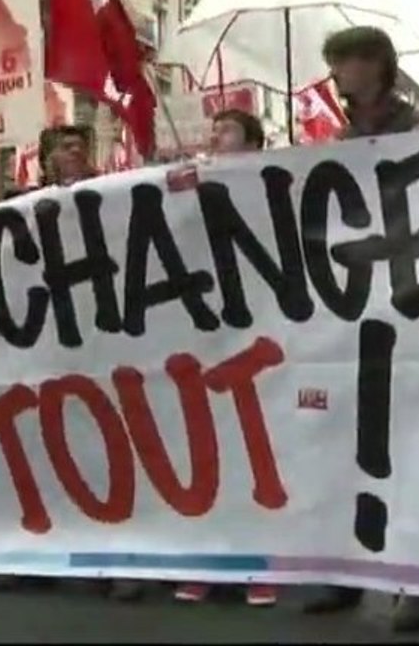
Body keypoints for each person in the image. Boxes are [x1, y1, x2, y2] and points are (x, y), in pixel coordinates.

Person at [303, 25, 419, 634]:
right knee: (347, 441)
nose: (339, 74)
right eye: (334, 63)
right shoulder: (338, 139)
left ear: (377, 65)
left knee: (417, 444)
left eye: (347, 62)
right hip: (356, 310)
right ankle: (347, 570)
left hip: (415, 303)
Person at [173, 108, 275, 608]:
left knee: (258, 451)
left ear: (255, 142)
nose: (216, 134)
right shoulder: (192, 180)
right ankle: (208, 562)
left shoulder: (277, 181)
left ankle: (259, 564)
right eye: (213, 128)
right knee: (206, 451)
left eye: (228, 129)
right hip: (205, 332)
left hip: (260, 333)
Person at [323, 25, 419, 139]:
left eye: (341, 63)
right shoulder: (339, 133)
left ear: (375, 64)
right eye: (332, 64)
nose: (333, 73)